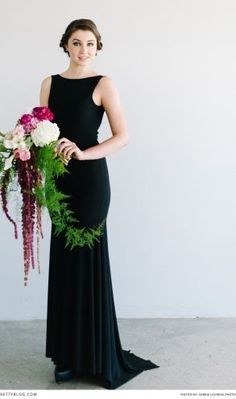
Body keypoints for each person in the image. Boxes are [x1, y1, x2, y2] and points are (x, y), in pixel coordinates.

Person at [39, 18, 159, 390]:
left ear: (97, 47)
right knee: (64, 261)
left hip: (90, 182)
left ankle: (93, 355)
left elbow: (123, 136)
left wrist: (83, 154)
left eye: (90, 43)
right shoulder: (49, 84)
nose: (84, 49)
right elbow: (43, 132)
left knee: (87, 261)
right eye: (77, 43)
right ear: (66, 46)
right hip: (57, 182)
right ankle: (66, 358)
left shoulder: (103, 84)